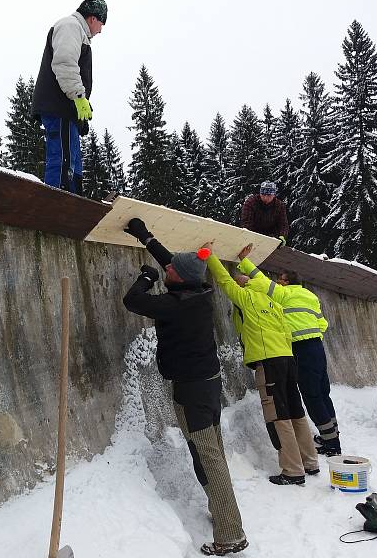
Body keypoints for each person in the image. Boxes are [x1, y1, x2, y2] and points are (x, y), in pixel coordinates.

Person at [122, 218, 247, 557]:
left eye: (169, 271)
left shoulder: (175, 306)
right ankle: (220, 512)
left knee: (209, 456)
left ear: (179, 278)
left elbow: (133, 301)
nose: (166, 271)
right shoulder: (197, 291)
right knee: (209, 451)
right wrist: (145, 236)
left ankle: (231, 532)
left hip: (192, 392)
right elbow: (171, 262)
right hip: (207, 384)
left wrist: (145, 278)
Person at [205, 243, 320, 486]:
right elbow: (287, 332)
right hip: (287, 360)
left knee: (278, 414)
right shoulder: (273, 303)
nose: (237, 283)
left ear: (244, 285)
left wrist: (209, 255)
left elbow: (224, 281)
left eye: (240, 281)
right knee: (295, 409)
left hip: (269, 362)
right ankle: (310, 461)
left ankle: (292, 470)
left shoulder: (245, 298)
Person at [32, 0, 107, 195]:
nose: (101, 30)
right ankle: (58, 199)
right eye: (102, 23)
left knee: (72, 156)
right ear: (92, 18)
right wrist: (78, 97)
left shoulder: (78, 33)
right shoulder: (70, 26)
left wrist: (80, 112)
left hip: (67, 107)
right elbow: (64, 63)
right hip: (60, 106)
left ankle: (74, 196)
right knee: (63, 156)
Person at [273, 270, 341, 456]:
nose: (278, 282)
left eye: (280, 279)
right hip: (317, 348)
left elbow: (263, 283)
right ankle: (333, 435)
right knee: (323, 393)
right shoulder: (310, 296)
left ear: (287, 282)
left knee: (311, 396)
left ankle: (332, 445)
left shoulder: (284, 294)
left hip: (302, 349)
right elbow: (323, 325)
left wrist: (244, 262)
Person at [239, 181, 289, 245]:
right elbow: (246, 222)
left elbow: (283, 224)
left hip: (271, 238)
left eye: (269, 195)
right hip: (253, 235)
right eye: (263, 194)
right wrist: (249, 235)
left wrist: (282, 236)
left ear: (273, 195)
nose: (265, 198)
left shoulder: (280, 206)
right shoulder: (251, 202)